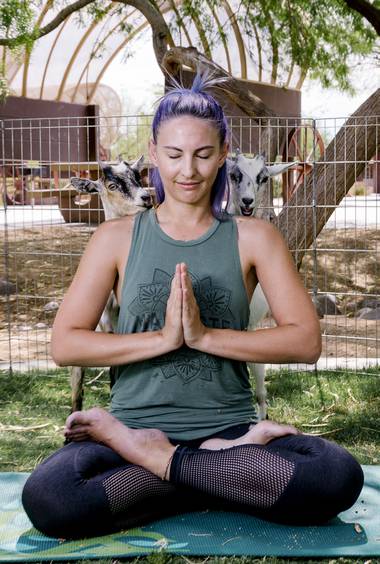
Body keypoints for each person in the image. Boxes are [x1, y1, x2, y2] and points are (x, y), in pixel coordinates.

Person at [22, 74, 363, 540]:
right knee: (50, 496)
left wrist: (203, 337)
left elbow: (306, 341)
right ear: (154, 152)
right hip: (135, 431)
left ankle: (161, 462)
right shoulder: (114, 239)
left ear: (223, 153)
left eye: (203, 155)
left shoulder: (256, 238)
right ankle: (217, 477)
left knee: (335, 475)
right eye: (175, 154)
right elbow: (65, 343)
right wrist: (163, 339)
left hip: (228, 430)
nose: (188, 171)